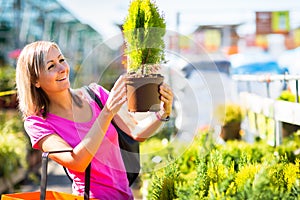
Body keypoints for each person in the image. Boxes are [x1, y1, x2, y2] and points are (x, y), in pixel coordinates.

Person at [16, 41, 174, 199]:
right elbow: (77, 162)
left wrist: (163, 112)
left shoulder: (95, 94)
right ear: (35, 80)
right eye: (51, 66)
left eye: (61, 60)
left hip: (125, 195)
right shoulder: (38, 123)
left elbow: (136, 132)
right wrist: (107, 113)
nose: (62, 68)